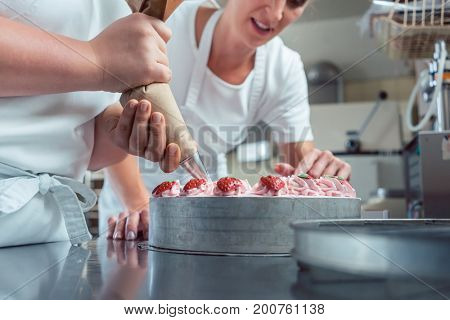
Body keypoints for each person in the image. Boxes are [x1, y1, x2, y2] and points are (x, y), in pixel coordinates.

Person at [100, 0, 352, 240]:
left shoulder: (284, 68)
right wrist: (139, 205)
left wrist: (322, 174)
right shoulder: (166, 20)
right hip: (131, 207)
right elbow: (108, 116)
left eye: (294, 2)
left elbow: (301, 167)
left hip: (211, 211)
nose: (276, 13)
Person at [0, 1, 180, 247]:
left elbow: (75, 139)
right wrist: (98, 60)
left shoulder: (124, 10)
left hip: (48, 236)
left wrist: (116, 132)